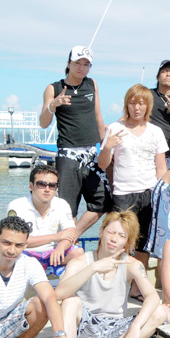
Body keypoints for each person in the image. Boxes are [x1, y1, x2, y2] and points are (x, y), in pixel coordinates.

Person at [54, 211, 167, 338]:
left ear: (127, 241)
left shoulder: (131, 264)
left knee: (161, 312)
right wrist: (93, 268)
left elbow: (153, 297)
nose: (114, 239)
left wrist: (135, 327)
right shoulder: (81, 261)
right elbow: (59, 293)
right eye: (111, 232)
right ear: (101, 232)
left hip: (116, 336)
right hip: (85, 331)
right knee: (70, 301)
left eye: (121, 236)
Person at [98, 84, 168, 300]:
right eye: (132, 102)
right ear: (126, 104)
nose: (137, 107)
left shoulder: (156, 131)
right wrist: (107, 146)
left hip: (149, 192)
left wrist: (161, 194)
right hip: (123, 192)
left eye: (141, 103)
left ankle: (137, 286)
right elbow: (103, 164)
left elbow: (161, 167)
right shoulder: (115, 128)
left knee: (143, 243)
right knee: (116, 239)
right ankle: (110, 285)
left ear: (148, 106)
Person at [40, 46, 110, 237]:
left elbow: (97, 115)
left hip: (92, 153)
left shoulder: (92, 84)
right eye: (77, 63)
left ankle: (71, 237)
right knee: (67, 208)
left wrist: (105, 144)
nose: (81, 68)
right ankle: (71, 244)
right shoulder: (54, 88)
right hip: (68, 153)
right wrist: (53, 105)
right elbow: (43, 123)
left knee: (103, 201)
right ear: (68, 63)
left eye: (86, 64)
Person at [6, 165, 84, 280]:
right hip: (26, 254)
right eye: (42, 184)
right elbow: (17, 240)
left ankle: (60, 280)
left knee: (78, 252)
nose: (47, 189)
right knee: (11, 253)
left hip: (53, 255)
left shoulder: (62, 204)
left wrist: (60, 247)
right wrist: (55, 237)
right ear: (31, 186)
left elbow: (71, 232)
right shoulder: (17, 206)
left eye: (52, 185)